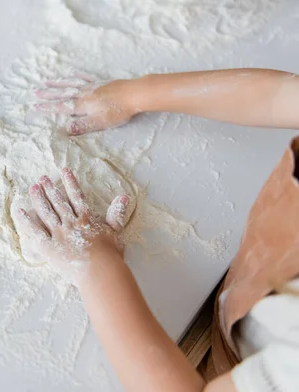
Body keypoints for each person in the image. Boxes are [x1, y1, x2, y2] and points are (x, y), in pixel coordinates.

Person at [16, 68, 299, 392]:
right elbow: (276, 97)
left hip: (240, 363)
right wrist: (133, 94)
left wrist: (97, 265)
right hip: (258, 285)